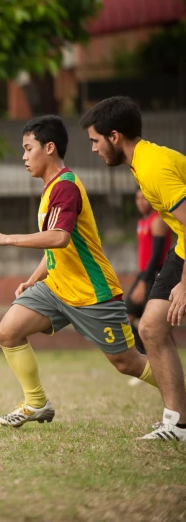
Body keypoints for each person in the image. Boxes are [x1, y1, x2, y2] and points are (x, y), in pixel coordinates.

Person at [0, 115, 166, 428]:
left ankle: (180, 397)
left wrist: (5, 238)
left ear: (49, 148)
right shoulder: (50, 189)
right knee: (8, 331)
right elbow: (56, 246)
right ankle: (36, 403)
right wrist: (34, 279)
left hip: (93, 292)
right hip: (57, 288)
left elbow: (59, 238)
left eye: (27, 148)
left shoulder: (65, 188)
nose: (23, 157)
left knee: (127, 363)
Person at [80, 96, 186, 440]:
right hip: (182, 247)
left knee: (153, 326)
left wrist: (184, 283)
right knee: (152, 328)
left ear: (114, 136)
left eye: (95, 140)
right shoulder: (142, 163)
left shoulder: (153, 167)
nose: (93, 149)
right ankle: (178, 423)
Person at [127, 190, 171, 356]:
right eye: (137, 198)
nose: (140, 202)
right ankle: (146, 359)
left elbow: (157, 254)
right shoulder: (142, 221)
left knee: (155, 324)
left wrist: (143, 282)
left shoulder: (158, 220)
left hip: (154, 275)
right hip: (144, 274)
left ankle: (158, 360)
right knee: (127, 318)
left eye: (143, 198)